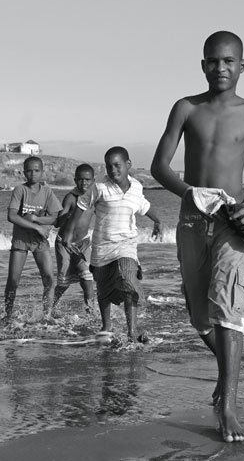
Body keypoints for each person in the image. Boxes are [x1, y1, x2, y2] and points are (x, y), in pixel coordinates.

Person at [150, 31, 244, 443]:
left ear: (242, 66)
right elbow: (160, 166)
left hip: (232, 219)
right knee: (198, 314)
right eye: (213, 61)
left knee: (228, 306)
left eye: (229, 61)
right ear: (203, 64)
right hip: (192, 218)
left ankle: (227, 405)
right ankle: (228, 373)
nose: (221, 68)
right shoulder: (186, 108)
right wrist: (190, 192)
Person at [63, 147, 162, 343]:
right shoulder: (99, 188)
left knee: (127, 279)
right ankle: (107, 326)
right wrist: (67, 234)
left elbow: (143, 205)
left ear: (128, 165)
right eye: (109, 166)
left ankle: (131, 332)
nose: (113, 170)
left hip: (127, 245)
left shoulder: (137, 187)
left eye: (117, 165)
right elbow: (80, 208)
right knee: (104, 288)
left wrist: (157, 221)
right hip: (102, 246)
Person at [4, 156, 62, 321]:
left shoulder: (47, 192)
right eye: (29, 171)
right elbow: (11, 216)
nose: (33, 174)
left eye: (36, 170)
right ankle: (7, 315)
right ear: (24, 173)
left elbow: (55, 218)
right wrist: (35, 227)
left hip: (40, 242)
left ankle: (47, 316)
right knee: (13, 281)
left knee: (50, 279)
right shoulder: (20, 190)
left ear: (42, 172)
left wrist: (36, 220)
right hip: (21, 241)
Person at [53, 164, 96, 313]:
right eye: (80, 180)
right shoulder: (71, 198)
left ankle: (91, 312)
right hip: (64, 243)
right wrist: (68, 216)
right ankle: (48, 308)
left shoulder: (94, 198)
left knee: (87, 278)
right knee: (64, 282)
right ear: (75, 180)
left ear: (93, 180)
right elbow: (58, 222)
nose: (84, 183)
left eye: (87, 180)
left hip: (83, 243)